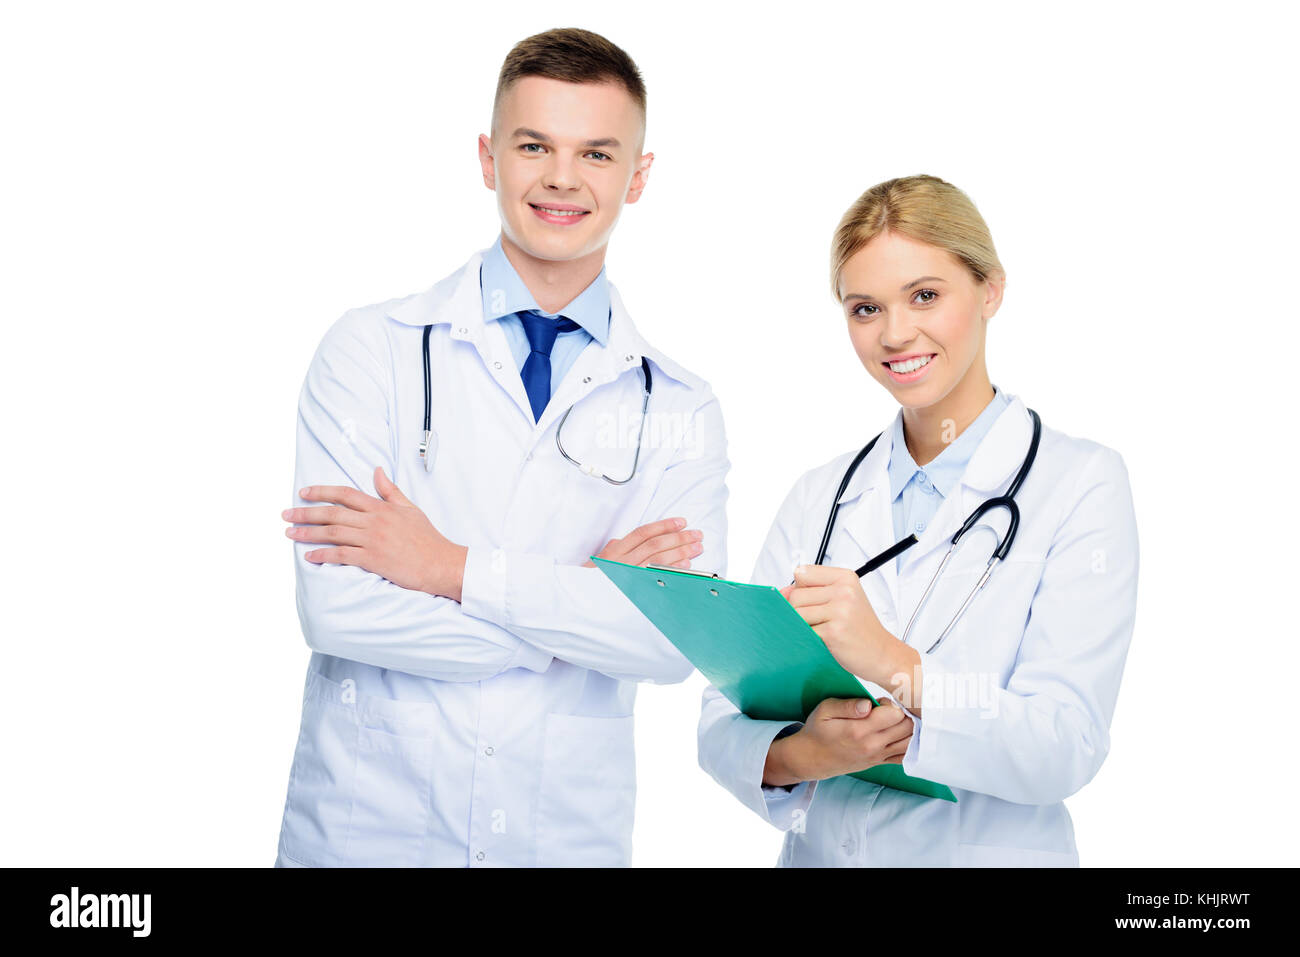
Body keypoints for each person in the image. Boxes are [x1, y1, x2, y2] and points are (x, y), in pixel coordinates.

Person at [274, 28, 729, 867]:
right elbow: (337, 610)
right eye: (534, 146)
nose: (562, 178)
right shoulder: (370, 349)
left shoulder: (682, 406)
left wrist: (446, 567)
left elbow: (673, 645)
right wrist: (585, 598)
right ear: (489, 158)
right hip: (365, 830)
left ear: (640, 175)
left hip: (558, 840)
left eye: (597, 152)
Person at [697, 174, 1138, 867]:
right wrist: (805, 753)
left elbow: (1067, 743)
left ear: (990, 289)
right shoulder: (820, 496)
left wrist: (891, 663)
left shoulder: (1080, 483)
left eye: (925, 295)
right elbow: (721, 718)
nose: (896, 332)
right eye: (865, 307)